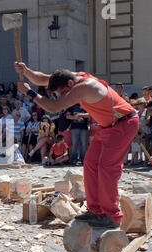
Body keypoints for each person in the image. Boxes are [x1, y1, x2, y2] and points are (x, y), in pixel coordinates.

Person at [15, 63, 138, 228]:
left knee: (107, 167)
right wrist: (26, 71)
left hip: (123, 123)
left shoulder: (85, 86)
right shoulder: (70, 77)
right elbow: (43, 78)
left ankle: (112, 216)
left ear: (70, 84)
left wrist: (30, 92)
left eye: (64, 93)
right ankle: (96, 211)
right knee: (90, 164)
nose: (64, 96)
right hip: (108, 126)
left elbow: (53, 107)